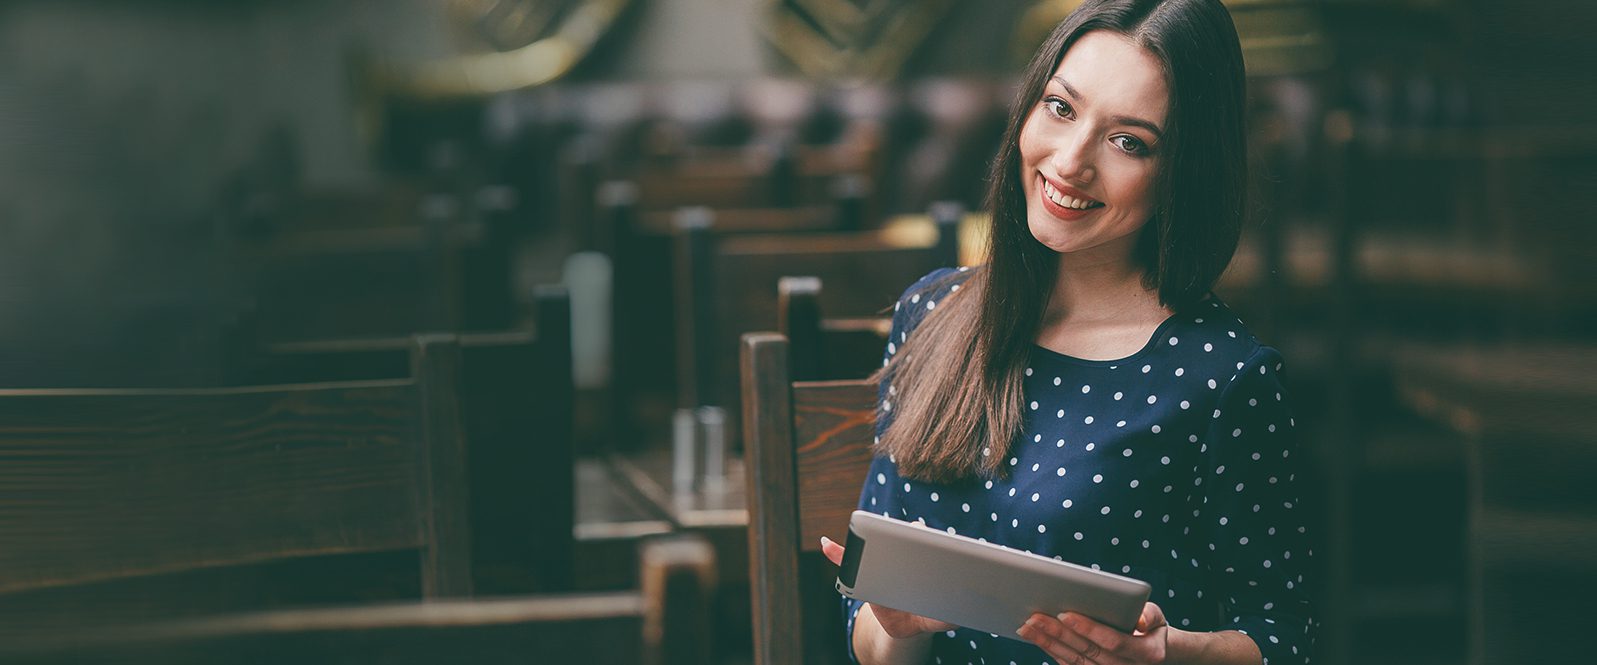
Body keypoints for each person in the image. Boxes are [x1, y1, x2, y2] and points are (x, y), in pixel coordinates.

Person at [817, 1, 1317, 664]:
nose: (1070, 160)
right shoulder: (932, 312)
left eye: (1127, 141)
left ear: (1180, 172)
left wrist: (1166, 653)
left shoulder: (1221, 376)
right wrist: (897, 629)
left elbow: (1286, 639)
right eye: (1060, 107)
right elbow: (868, 635)